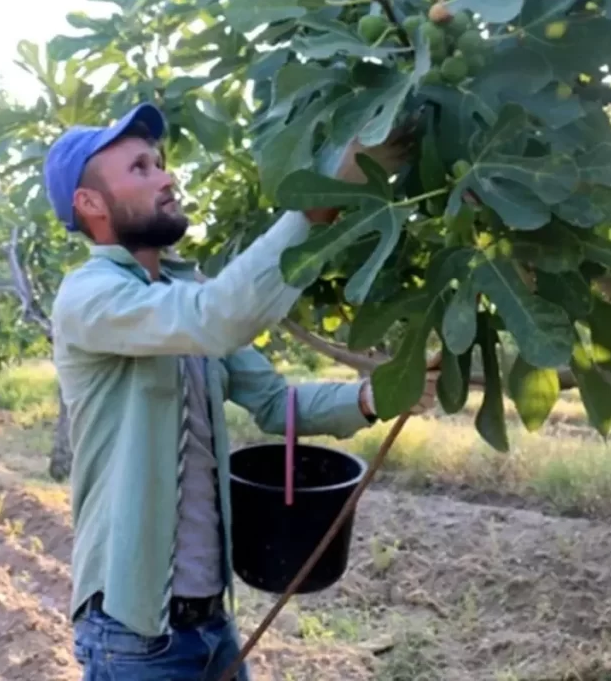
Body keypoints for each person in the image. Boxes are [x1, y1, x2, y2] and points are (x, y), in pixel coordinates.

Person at [42, 101, 439, 681]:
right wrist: (320, 200)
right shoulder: (89, 296)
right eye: (140, 168)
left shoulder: (181, 291)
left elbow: (275, 403)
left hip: (211, 624)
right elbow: (217, 317)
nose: (166, 178)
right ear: (91, 204)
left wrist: (373, 396)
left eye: (160, 162)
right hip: (136, 636)